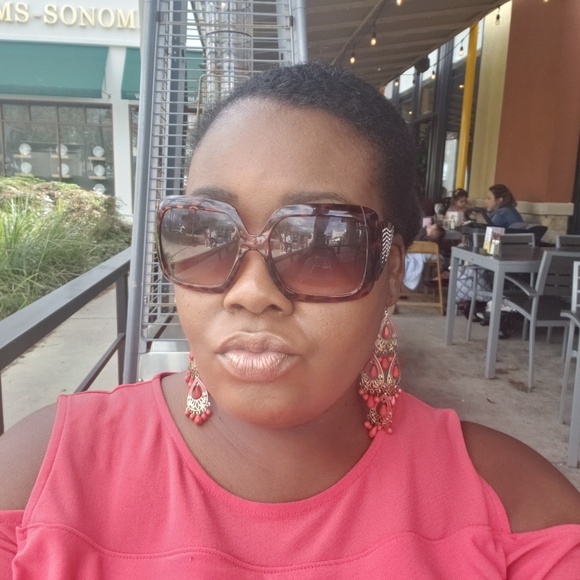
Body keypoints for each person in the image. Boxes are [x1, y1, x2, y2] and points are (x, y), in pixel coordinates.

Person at [0, 63, 579, 577]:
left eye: (321, 242)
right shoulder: (41, 478)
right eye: (206, 232)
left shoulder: (511, 509)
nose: (252, 293)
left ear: (389, 273)